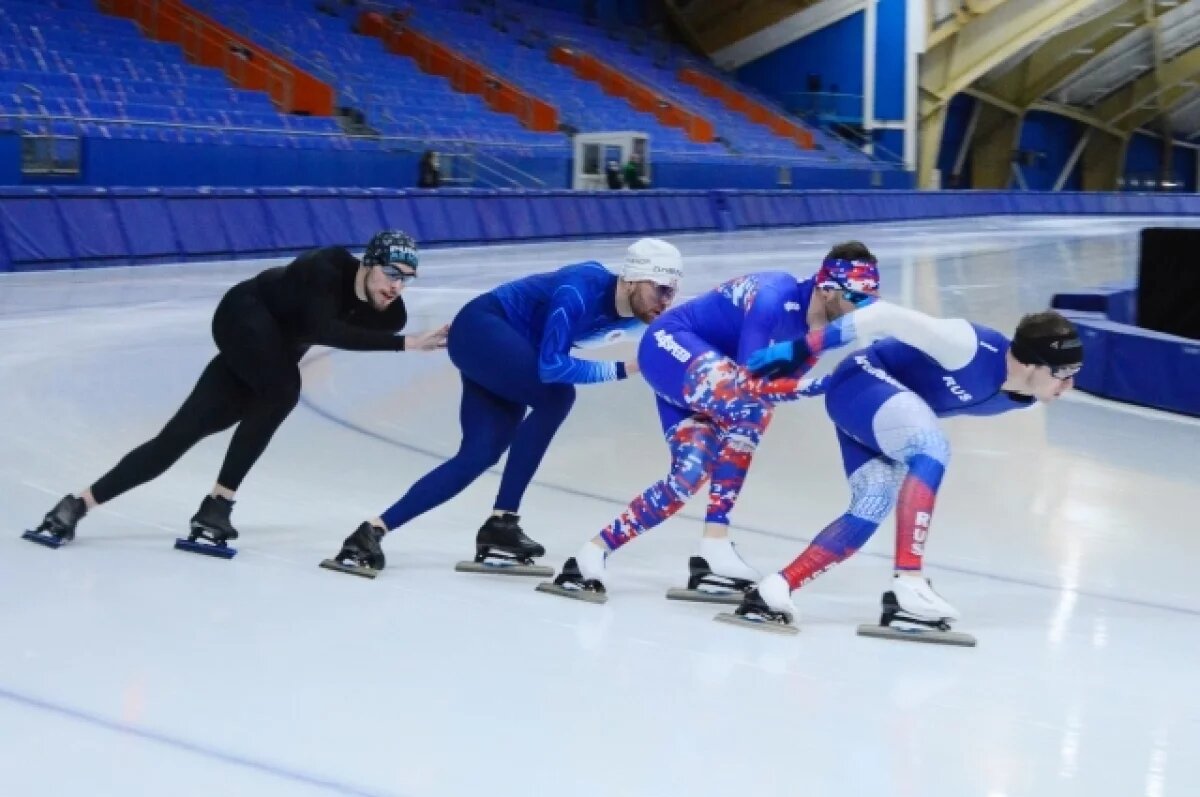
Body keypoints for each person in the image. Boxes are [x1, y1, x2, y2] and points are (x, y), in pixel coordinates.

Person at [23, 231, 449, 555]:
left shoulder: (390, 315)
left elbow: (340, 334)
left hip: (273, 350)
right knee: (283, 390)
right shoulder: (325, 266)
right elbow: (323, 328)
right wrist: (408, 344)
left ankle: (76, 504)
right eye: (391, 273)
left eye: (406, 279)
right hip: (243, 314)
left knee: (179, 437)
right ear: (367, 264)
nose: (396, 286)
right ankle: (218, 503)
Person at [539, 242, 883, 603]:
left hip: (707, 377)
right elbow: (752, 381)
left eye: (869, 302)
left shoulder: (822, 337)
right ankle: (715, 541)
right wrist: (826, 385)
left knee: (688, 476)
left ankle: (592, 554)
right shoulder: (772, 296)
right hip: (669, 347)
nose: (862, 311)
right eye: (857, 299)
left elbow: (771, 388)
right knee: (752, 405)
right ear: (828, 289)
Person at [322, 238, 685, 578]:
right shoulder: (579, 288)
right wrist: (625, 368)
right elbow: (552, 366)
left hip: (509, 349)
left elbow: (683, 338)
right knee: (558, 395)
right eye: (661, 289)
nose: (666, 301)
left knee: (479, 454)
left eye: (673, 292)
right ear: (634, 278)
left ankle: (371, 533)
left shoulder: (641, 316)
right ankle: (504, 521)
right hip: (484, 328)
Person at [726, 308, 1082, 636]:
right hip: (864, 384)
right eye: (1063, 375)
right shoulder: (965, 344)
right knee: (931, 447)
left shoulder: (1023, 398)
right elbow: (883, 314)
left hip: (875, 409)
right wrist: (802, 347)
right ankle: (909, 581)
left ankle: (775, 589)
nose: (1069, 388)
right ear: (1033, 364)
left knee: (872, 502)